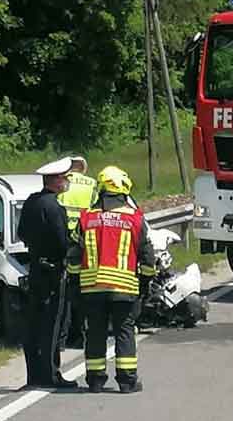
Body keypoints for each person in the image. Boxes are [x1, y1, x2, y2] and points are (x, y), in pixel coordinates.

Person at [68, 165, 156, 393]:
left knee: (95, 333)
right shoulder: (135, 220)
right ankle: (127, 382)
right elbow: (148, 258)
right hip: (124, 289)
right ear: (124, 191)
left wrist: (74, 283)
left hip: (91, 288)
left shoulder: (87, 218)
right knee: (124, 332)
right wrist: (145, 283)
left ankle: (95, 381)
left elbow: (74, 256)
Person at [15, 157, 77, 389]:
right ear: (56, 181)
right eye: (65, 178)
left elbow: (22, 233)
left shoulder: (31, 202)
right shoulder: (54, 207)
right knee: (52, 324)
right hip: (53, 271)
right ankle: (51, 375)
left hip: (35, 269)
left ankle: (33, 376)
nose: (67, 181)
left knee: (33, 323)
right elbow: (63, 242)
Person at [57, 155, 96, 348]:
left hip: (63, 240)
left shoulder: (62, 182)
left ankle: (62, 339)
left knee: (64, 293)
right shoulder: (91, 184)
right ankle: (81, 336)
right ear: (84, 168)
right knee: (83, 291)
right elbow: (97, 212)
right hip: (84, 242)